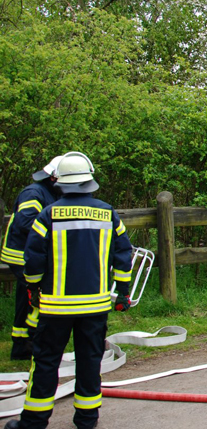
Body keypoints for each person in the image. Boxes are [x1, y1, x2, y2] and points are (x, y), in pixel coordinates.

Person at [5, 152, 133, 429]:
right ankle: (87, 420)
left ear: (60, 183)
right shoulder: (107, 212)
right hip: (95, 307)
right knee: (89, 362)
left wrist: (33, 287)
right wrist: (122, 292)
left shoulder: (47, 214)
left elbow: (33, 259)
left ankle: (33, 423)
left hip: (55, 308)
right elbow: (124, 255)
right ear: (89, 181)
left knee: (46, 363)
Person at [0, 156, 64, 361]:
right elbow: (26, 223)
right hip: (21, 257)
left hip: (32, 255)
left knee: (25, 300)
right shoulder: (33, 193)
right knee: (37, 297)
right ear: (54, 178)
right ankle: (35, 342)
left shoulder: (49, 193)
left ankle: (21, 345)